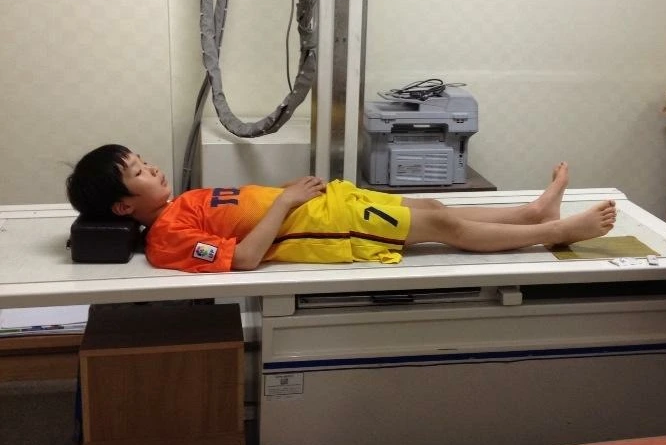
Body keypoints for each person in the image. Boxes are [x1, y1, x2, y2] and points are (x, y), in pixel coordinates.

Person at [66, 144, 616, 273]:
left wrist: (287, 194)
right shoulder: (167, 240)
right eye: (139, 173)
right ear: (123, 206)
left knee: (431, 204)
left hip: (326, 205)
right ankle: (556, 232)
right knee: (443, 225)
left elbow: (243, 211)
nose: (153, 169)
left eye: (144, 161)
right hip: (326, 228)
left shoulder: (182, 201)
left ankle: (532, 213)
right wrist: (287, 201)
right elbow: (246, 258)